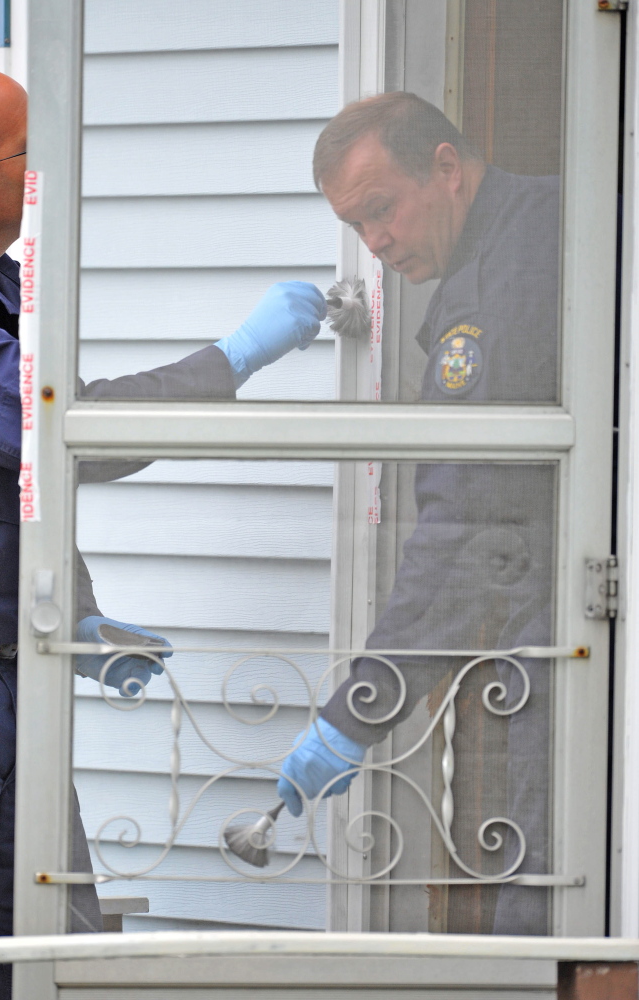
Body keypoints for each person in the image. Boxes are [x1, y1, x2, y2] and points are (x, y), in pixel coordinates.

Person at [0, 67, 326, 1000]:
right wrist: (233, 358)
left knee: (38, 960)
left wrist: (79, 619)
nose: (51, 164)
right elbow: (50, 434)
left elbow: (3, 485)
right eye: (31, 149)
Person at [277, 92, 558, 934]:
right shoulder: (506, 245)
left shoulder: (523, 263)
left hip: (576, 616)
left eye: (380, 211)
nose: (376, 243)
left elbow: (470, 514)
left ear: (445, 166)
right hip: (548, 607)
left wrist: (359, 709)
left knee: (546, 903)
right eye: (357, 228)